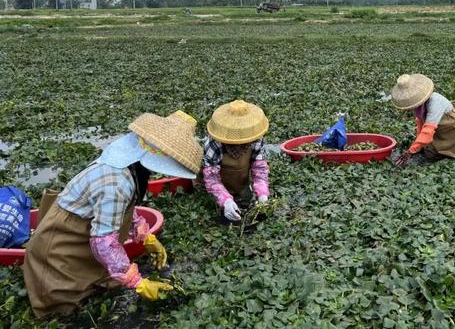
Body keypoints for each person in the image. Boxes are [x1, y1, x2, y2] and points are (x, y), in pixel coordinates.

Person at [23, 111, 203, 318]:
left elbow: (123, 207)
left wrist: (146, 236)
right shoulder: (116, 181)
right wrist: (138, 282)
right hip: (60, 246)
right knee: (63, 305)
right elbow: (103, 242)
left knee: (99, 288)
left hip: (86, 238)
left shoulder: (129, 166)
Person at [202, 100, 270, 223]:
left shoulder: (256, 139)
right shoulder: (214, 143)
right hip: (215, 187)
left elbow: (259, 170)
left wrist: (262, 194)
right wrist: (225, 200)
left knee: (250, 210)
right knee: (220, 217)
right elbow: (212, 178)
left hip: (240, 184)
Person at [390, 74, 455, 166]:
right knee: (430, 154)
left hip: (452, 132)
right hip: (437, 132)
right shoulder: (418, 107)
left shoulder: (435, 102)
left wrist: (410, 152)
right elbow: (421, 126)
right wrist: (416, 147)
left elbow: (427, 131)